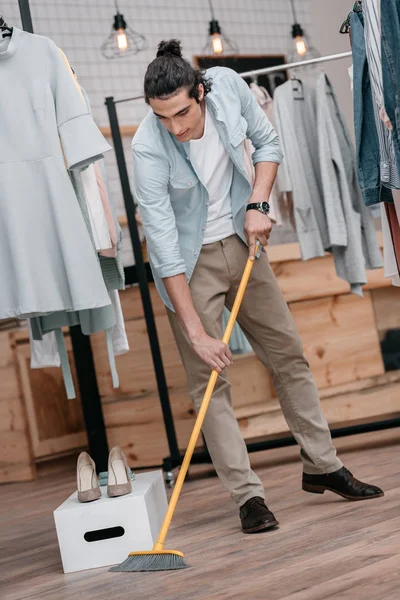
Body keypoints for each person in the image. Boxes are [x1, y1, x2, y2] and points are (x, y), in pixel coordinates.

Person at [132, 39, 384, 534]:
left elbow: (268, 145)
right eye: (164, 118)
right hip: (189, 264)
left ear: (200, 92)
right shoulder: (148, 147)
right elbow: (163, 251)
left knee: (288, 355)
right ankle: (248, 498)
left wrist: (259, 203)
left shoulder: (227, 87)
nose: (176, 128)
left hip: (242, 241)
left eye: (182, 113)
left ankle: (323, 465)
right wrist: (197, 334)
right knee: (210, 383)